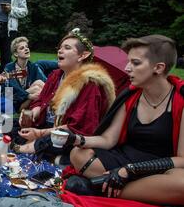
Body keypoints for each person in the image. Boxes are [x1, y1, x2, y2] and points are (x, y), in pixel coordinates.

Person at [66, 35, 184, 206]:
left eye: (135, 63)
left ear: (158, 68)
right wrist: (77, 139)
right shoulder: (131, 96)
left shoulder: (180, 100)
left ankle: (97, 188)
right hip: (125, 159)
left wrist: (131, 171)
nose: (127, 68)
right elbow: (108, 139)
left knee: (181, 183)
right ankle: (139, 191)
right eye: (129, 62)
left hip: (160, 169)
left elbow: (182, 159)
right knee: (78, 153)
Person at [15, 29, 116, 161]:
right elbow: (41, 100)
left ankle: (36, 151)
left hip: (65, 135)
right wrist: (36, 109)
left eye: (67, 48)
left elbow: (80, 128)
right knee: (12, 126)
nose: (60, 51)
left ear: (82, 55)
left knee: (51, 141)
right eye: (60, 48)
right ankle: (46, 154)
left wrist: (40, 134)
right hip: (45, 126)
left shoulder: (90, 85)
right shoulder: (55, 75)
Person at [3, 36, 58, 112]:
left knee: (38, 84)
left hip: (28, 99)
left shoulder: (32, 67)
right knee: (36, 88)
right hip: (14, 101)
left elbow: (45, 83)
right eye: (22, 48)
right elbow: (13, 89)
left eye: (26, 47)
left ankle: (55, 101)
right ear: (16, 54)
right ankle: (55, 103)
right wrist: (29, 96)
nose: (26, 49)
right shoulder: (9, 67)